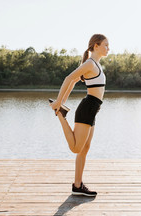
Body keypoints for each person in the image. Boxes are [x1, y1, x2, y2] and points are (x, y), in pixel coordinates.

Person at [49, 34, 109, 197]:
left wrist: (62, 101)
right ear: (96, 46)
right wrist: (59, 102)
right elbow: (68, 78)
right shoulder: (90, 63)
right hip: (88, 107)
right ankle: (61, 115)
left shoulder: (95, 64)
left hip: (93, 109)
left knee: (85, 148)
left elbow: (74, 81)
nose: (108, 48)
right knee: (76, 148)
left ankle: (77, 185)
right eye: (105, 45)